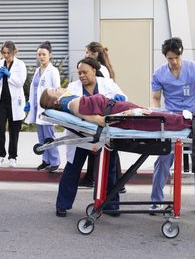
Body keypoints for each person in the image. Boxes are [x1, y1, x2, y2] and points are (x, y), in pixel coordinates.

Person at [53, 58, 127, 217]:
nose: (81, 75)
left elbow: (123, 98)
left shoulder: (108, 84)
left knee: (109, 170)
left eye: (85, 72)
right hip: (80, 134)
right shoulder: (73, 88)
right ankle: (62, 205)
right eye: (79, 73)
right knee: (73, 169)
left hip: (105, 134)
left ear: (94, 70)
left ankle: (111, 205)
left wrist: (120, 98)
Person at [150, 37, 195, 217]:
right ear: (165, 57)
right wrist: (157, 111)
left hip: (194, 119)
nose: (175, 61)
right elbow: (155, 97)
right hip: (171, 120)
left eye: (177, 57)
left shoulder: (194, 68)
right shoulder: (159, 73)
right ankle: (156, 201)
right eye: (170, 58)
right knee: (163, 159)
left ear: (181, 54)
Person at [39, 88, 195, 140]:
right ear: (55, 100)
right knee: (182, 122)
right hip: (129, 118)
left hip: (128, 113)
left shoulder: (73, 100)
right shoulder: (73, 104)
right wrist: (130, 114)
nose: (58, 87)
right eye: (54, 90)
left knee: (181, 120)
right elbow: (100, 121)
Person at [85, 41, 125, 193]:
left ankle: (118, 183)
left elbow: (101, 90)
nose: (85, 55)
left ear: (94, 54)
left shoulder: (100, 70)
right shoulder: (104, 68)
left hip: (102, 110)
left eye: (87, 52)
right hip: (103, 109)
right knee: (99, 145)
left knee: (105, 146)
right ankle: (91, 177)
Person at [25, 41, 61, 172]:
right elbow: (33, 89)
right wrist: (29, 103)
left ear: (50, 55)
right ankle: (45, 161)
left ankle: (55, 161)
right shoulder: (37, 70)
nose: (41, 57)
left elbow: (57, 91)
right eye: (39, 54)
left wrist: (54, 107)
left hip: (48, 109)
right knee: (41, 136)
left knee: (49, 136)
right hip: (36, 108)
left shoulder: (53, 71)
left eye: (44, 54)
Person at [0, 41, 27, 168]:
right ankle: (0, 155)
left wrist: (9, 75)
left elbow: (20, 82)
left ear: (14, 52)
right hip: (2, 102)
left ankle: (12, 157)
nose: (6, 55)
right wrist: (0, 77)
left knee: (14, 130)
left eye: (8, 53)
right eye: (4, 53)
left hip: (15, 102)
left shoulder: (20, 64)